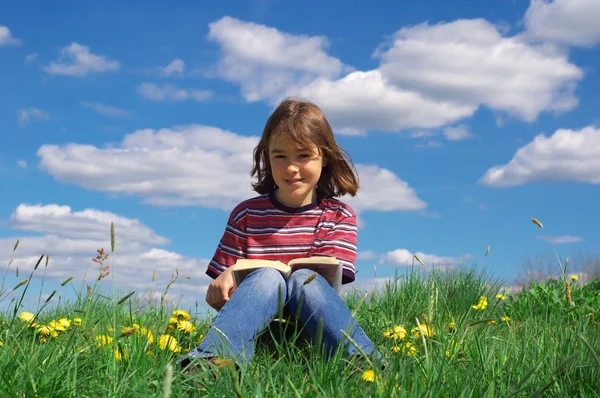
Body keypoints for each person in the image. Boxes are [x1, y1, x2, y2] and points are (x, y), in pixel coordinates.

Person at [179, 97, 383, 372]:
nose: (291, 167)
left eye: (303, 155)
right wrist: (223, 279)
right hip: (256, 328)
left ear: (324, 157)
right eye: (280, 156)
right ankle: (213, 361)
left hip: (313, 330)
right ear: (266, 157)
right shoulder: (246, 214)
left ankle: (360, 361)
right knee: (265, 279)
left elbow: (328, 276)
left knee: (303, 278)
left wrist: (260, 270)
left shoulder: (338, 215)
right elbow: (224, 291)